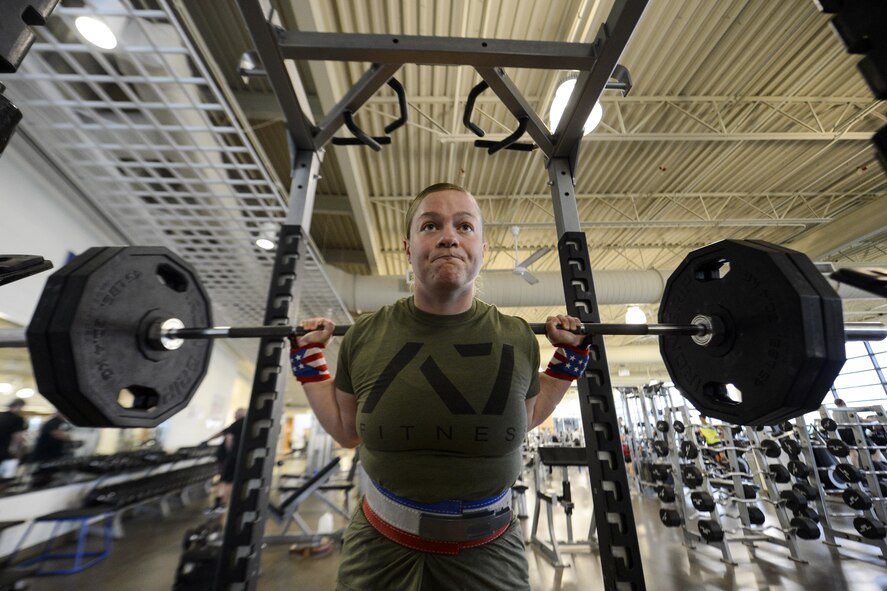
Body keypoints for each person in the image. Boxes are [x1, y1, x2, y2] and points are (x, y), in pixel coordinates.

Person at [290, 183, 587, 591]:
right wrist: (307, 362)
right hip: (378, 554)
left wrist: (568, 361)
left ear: (482, 247)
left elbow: (529, 415)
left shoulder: (516, 336)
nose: (449, 236)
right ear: (407, 248)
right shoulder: (366, 334)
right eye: (431, 225)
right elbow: (345, 429)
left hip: (489, 555)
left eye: (464, 226)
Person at [30, 412, 79, 487]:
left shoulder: (61, 423)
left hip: (52, 455)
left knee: (49, 475)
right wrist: (72, 440)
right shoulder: (53, 422)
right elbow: (56, 434)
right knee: (42, 475)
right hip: (45, 454)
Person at [0, 399, 27, 470]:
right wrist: (18, 452)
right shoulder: (17, 419)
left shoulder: (1, 416)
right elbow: (17, 437)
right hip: (5, 450)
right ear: (19, 406)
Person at [834, 399, 859, 466]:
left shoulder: (834, 411)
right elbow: (857, 419)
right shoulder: (848, 409)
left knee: (851, 449)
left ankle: (855, 467)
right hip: (849, 431)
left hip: (840, 432)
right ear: (843, 402)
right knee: (855, 449)